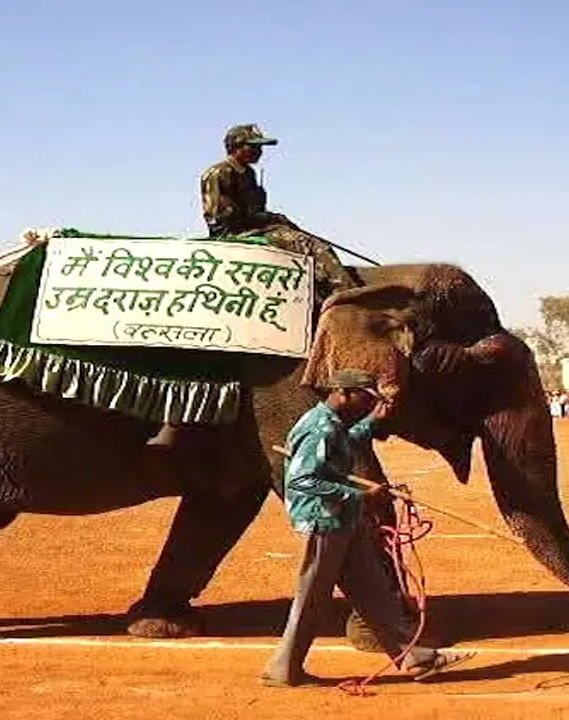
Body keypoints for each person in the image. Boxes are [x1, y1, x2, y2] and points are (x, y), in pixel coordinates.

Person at [262, 369, 475, 687]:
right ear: (343, 393)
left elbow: (344, 445)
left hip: (344, 520)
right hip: (323, 522)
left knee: (374, 592)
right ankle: (283, 670)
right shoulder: (318, 428)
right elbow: (302, 480)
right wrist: (361, 493)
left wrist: (372, 422)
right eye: (365, 397)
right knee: (311, 598)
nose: (367, 403)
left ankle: (416, 657)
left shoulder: (334, 426)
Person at [200, 124, 358, 293]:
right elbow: (221, 218)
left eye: (260, 147)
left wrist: (274, 218)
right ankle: (346, 293)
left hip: (255, 227)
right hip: (235, 233)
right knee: (308, 245)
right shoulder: (219, 173)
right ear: (236, 147)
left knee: (307, 240)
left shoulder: (248, 173)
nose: (259, 151)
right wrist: (268, 219)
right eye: (253, 146)